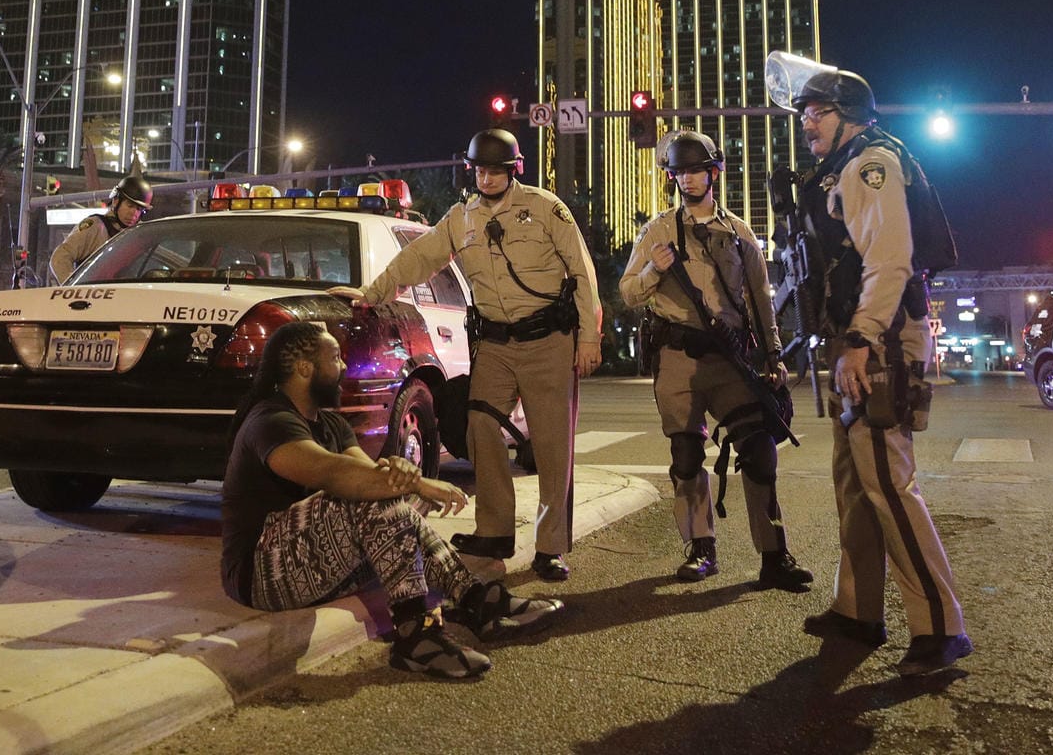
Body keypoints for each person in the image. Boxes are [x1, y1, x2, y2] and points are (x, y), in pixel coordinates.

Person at [330, 129, 602, 582]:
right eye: (480, 169)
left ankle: (550, 546)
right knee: (479, 425)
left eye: (496, 170)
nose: (487, 177)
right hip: (495, 343)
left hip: (548, 341)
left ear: (513, 170)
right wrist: (370, 293)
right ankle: (494, 531)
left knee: (553, 446)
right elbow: (416, 259)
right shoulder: (462, 218)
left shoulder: (545, 208)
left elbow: (582, 270)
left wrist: (588, 338)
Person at [220, 321, 564, 678]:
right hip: (261, 575)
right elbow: (333, 474)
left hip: (317, 569)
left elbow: (372, 476)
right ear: (305, 368)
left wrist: (398, 473)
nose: (343, 368)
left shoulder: (332, 425)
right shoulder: (271, 421)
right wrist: (422, 486)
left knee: (383, 499)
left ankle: (476, 602)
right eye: (335, 358)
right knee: (370, 496)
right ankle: (416, 634)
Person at [790, 63, 973, 676]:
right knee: (855, 484)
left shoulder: (871, 163)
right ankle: (858, 610)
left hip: (883, 341)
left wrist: (862, 339)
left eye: (817, 111)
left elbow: (890, 259)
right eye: (803, 113)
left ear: (850, 114)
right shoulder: (846, 166)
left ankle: (940, 628)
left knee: (889, 487)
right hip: (862, 338)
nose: (806, 122)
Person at [620, 130, 815, 592]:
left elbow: (760, 300)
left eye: (695, 170)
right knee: (686, 455)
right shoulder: (657, 231)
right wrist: (654, 269)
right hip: (676, 358)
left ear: (713, 172)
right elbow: (628, 293)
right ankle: (701, 547)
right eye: (679, 172)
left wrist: (772, 355)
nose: (687, 179)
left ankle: (774, 555)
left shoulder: (738, 232)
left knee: (760, 450)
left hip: (729, 359)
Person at [50, 174, 151, 281]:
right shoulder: (96, 226)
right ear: (116, 201)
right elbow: (60, 257)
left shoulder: (138, 235)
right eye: (130, 206)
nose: (134, 213)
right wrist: (74, 288)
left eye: (139, 209)